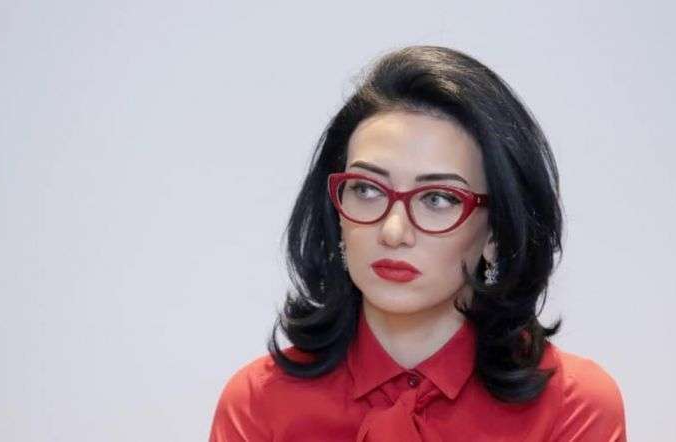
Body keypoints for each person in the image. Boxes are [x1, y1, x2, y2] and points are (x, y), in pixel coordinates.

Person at [209, 45, 627, 441]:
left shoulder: (572, 403)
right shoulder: (259, 401)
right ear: (336, 211)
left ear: (495, 232)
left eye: (438, 199)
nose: (393, 231)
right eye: (367, 189)